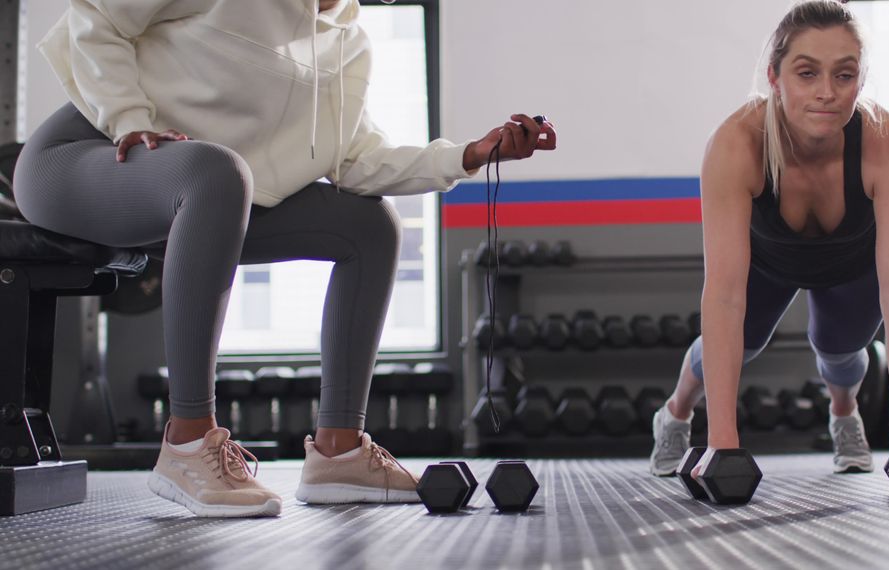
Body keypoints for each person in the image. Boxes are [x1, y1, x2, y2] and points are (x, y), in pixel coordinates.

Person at [15, 0, 555, 518]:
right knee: (217, 172)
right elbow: (97, 14)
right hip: (84, 159)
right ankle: (186, 441)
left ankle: (339, 452)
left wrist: (469, 155)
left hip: (202, 196)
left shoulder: (350, 44)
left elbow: (357, 161)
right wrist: (127, 115)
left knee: (368, 224)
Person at [648, 0, 889, 481]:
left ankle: (843, 413)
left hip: (852, 264)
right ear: (775, 78)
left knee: (841, 351)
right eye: (806, 73)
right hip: (766, 263)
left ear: (860, 80)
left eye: (844, 75)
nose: (827, 93)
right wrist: (723, 446)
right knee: (742, 340)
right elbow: (725, 295)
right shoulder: (737, 143)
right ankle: (675, 412)